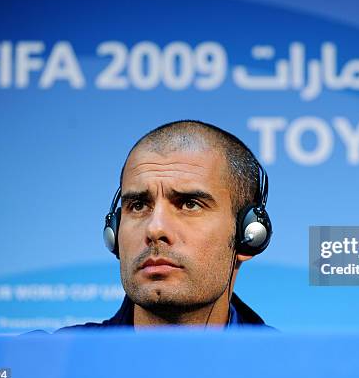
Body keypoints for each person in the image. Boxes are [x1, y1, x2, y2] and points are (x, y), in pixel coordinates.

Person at [57, 120, 273, 331]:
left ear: (248, 234)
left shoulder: (292, 365)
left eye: (189, 204)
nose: (155, 229)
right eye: (139, 206)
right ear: (115, 230)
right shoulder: (45, 360)